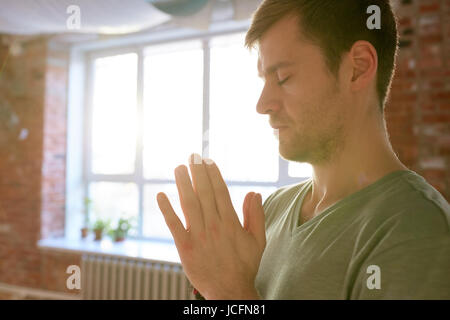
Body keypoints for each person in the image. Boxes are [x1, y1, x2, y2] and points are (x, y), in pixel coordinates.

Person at [156, 0, 450, 300]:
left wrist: (230, 293)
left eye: (283, 77)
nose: (262, 104)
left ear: (357, 67)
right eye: (265, 80)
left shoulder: (416, 229)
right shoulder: (271, 211)